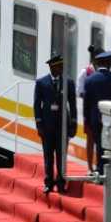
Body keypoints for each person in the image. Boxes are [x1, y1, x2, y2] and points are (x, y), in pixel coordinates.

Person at [33, 54, 77, 193]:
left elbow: (73, 104)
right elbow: (36, 105)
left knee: (61, 156)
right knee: (48, 156)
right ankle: (49, 182)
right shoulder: (41, 83)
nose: (62, 69)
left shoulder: (68, 82)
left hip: (62, 126)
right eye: (59, 66)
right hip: (47, 126)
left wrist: (74, 123)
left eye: (62, 66)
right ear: (52, 67)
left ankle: (61, 182)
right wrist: (39, 124)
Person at [83, 50, 111, 174]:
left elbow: (86, 103)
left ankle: (100, 170)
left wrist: (86, 121)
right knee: (110, 145)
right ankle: (108, 170)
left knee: (99, 144)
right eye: (110, 61)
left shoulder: (89, 80)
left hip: (95, 119)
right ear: (108, 63)